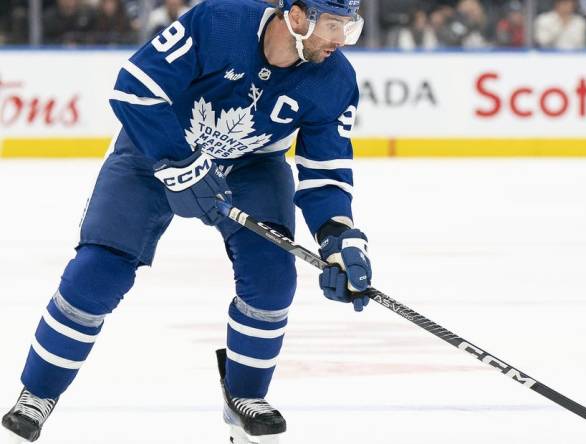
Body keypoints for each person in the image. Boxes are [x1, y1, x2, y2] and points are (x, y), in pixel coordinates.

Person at [1, 0, 373, 442]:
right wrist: (180, 164)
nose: (339, 41)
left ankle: (245, 397)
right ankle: (37, 393)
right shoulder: (219, 22)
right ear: (296, 16)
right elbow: (135, 88)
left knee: (272, 280)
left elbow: (325, 169)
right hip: (156, 151)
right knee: (97, 273)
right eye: (332, 26)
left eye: (347, 28)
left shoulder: (335, 79)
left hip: (251, 166)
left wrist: (339, 235)